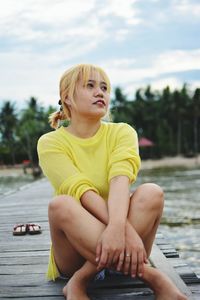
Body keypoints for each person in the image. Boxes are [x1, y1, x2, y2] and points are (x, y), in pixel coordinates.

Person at [37, 63, 187, 300]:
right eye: (90, 85)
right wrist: (119, 228)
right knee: (62, 204)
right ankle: (151, 276)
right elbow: (83, 192)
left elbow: (120, 179)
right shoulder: (50, 143)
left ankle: (81, 280)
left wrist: (117, 229)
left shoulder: (122, 132)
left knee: (152, 192)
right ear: (67, 97)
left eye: (105, 88)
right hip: (77, 253)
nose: (100, 92)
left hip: (124, 245)